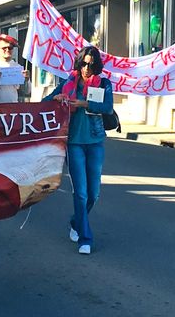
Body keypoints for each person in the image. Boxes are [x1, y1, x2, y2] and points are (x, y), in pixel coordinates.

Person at [43, 46, 113, 255]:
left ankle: (76, 222)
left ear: (96, 65)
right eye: (84, 63)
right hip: (73, 142)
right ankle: (86, 238)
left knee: (94, 193)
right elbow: (45, 102)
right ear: (79, 62)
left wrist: (84, 103)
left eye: (91, 64)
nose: (86, 68)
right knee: (80, 193)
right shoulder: (68, 83)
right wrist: (55, 99)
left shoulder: (104, 83)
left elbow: (107, 107)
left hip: (95, 141)